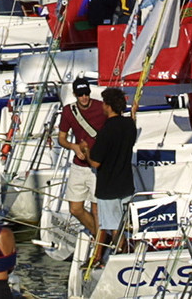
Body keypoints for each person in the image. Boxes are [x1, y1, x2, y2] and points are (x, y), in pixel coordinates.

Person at [87, 87, 136, 266]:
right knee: (122, 224)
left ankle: (119, 259)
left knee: (114, 228)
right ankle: (123, 254)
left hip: (109, 188)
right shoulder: (130, 125)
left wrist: (86, 151)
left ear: (108, 106)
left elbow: (95, 163)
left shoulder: (106, 130)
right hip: (126, 184)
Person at [57, 78, 107, 241]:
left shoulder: (102, 108)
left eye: (86, 93)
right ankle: (99, 237)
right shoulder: (68, 111)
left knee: (97, 208)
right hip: (79, 166)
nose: (84, 97)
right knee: (75, 208)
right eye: (80, 95)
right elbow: (62, 138)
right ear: (74, 95)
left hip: (98, 166)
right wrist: (74, 147)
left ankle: (100, 242)